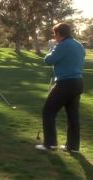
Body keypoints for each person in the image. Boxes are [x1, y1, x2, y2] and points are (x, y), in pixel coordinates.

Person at [35, 23, 85, 152]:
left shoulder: (62, 45)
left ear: (59, 34)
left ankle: (50, 144)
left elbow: (48, 60)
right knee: (73, 114)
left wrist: (52, 48)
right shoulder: (79, 45)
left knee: (49, 111)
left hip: (65, 83)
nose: (54, 36)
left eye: (55, 34)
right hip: (78, 82)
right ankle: (73, 146)